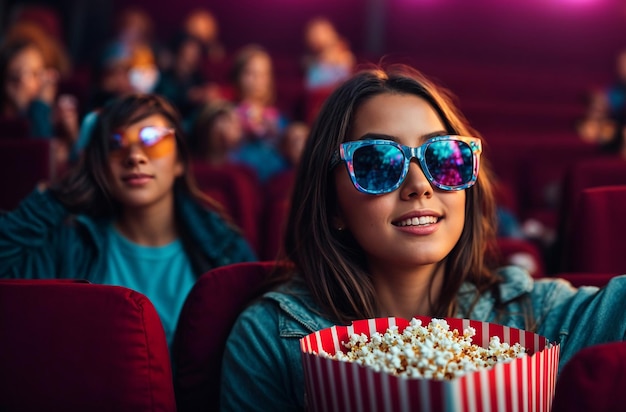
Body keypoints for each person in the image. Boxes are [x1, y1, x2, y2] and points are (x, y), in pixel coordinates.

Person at [220, 65, 626, 410]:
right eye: (378, 162)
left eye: (444, 158)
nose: (420, 185)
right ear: (333, 205)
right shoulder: (271, 338)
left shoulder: (536, 314)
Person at [0, 93, 257, 348]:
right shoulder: (71, 243)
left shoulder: (224, 246)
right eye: (115, 144)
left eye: (153, 139)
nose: (134, 156)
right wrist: (60, 193)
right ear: (99, 164)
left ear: (180, 161)